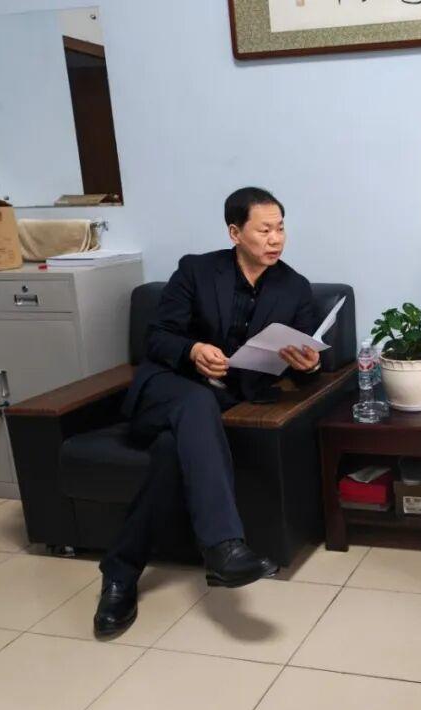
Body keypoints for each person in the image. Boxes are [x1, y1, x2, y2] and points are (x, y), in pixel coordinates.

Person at [94, 186, 323, 639]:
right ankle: (223, 546)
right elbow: (156, 338)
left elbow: (309, 356)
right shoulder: (196, 271)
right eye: (264, 230)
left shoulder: (294, 286)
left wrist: (310, 364)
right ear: (235, 233)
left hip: (222, 404)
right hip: (168, 390)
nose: (276, 239)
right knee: (195, 402)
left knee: (170, 453)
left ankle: (119, 573)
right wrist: (193, 350)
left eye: (280, 228)